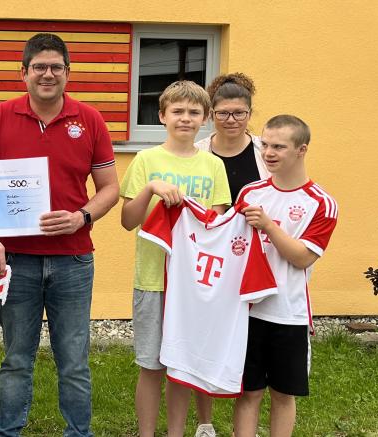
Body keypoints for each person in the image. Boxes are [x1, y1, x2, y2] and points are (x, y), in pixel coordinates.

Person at [0, 33, 120, 437]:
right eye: (39, 66)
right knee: (16, 359)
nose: (48, 74)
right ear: (23, 72)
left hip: (73, 259)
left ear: (68, 73)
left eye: (56, 67)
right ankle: (9, 432)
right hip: (14, 261)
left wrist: (82, 217)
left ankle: (79, 433)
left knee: (73, 360)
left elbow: (110, 188)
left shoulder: (89, 119)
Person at [119, 80, 230, 437]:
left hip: (194, 285)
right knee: (151, 365)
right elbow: (128, 221)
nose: (186, 118)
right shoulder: (146, 160)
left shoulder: (213, 166)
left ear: (205, 119)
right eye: (178, 111)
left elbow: (216, 224)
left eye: (194, 112)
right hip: (152, 278)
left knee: (181, 366)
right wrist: (151, 189)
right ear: (162, 115)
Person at [233, 115, 338, 437]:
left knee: (282, 394)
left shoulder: (321, 203)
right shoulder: (250, 193)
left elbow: (302, 258)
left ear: (301, 150)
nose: (269, 153)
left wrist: (269, 226)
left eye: (279, 146)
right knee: (248, 392)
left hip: (288, 314)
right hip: (248, 311)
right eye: (265, 144)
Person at [195, 73, 270, 203]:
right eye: (223, 113)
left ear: (250, 114)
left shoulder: (266, 151)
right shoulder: (196, 151)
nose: (231, 120)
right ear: (211, 115)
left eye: (239, 113)